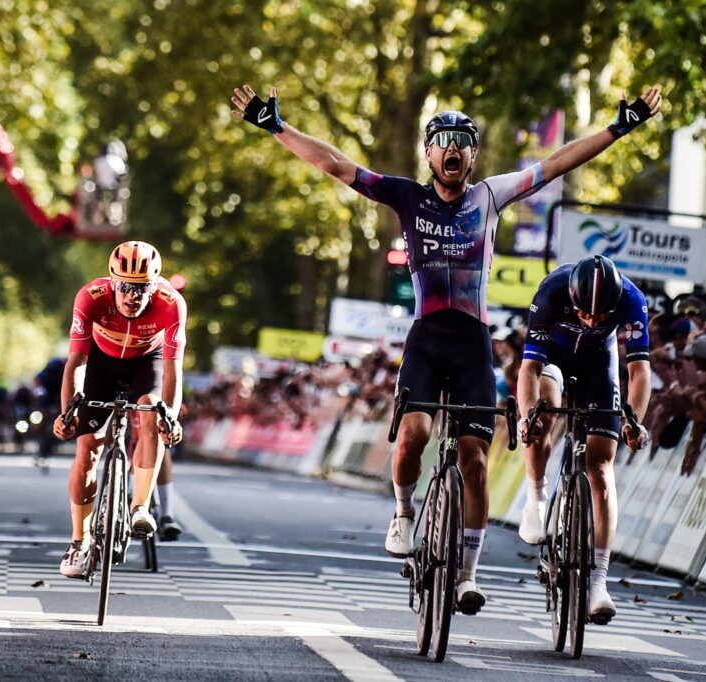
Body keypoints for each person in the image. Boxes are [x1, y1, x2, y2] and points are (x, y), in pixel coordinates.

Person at [231, 82, 662, 614]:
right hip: (427, 340)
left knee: (474, 460)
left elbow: (556, 164)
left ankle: (467, 575)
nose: (452, 149)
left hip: (473, 343)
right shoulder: (407, 197)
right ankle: (404, 512)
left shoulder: (490, 196)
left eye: (462, 142)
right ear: (429, 153)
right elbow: (337, 166)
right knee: (414, 435)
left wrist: (618, 128)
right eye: (442, 141)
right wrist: (277, 127)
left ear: (473, 155)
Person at [516, 255, 652, 623]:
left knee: (601, 466)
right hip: (553, 359)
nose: (591, 321)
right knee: (543, 412)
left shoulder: (632, 299)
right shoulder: (552, 290)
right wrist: (527, 416)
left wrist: (634, 422)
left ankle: (598, 582)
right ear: (572, 299)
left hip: (598, 362)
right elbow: (529, 368)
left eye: (600, 316)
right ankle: (536, 497)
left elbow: (639, 371)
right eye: (583, 314)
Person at [53, 240, 185, 579]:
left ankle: (140, 506)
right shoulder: (90, 297)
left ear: (155, 286)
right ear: (112, 282)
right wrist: (68, 412)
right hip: (100, 362)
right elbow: (76, 362)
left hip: (148, 361)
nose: (132, 296)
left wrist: (170, 415)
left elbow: (173, 369)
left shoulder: (172, 303)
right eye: (124, 287)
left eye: (141, 288)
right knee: (87, 449)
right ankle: (79, 541)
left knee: (152, 410)